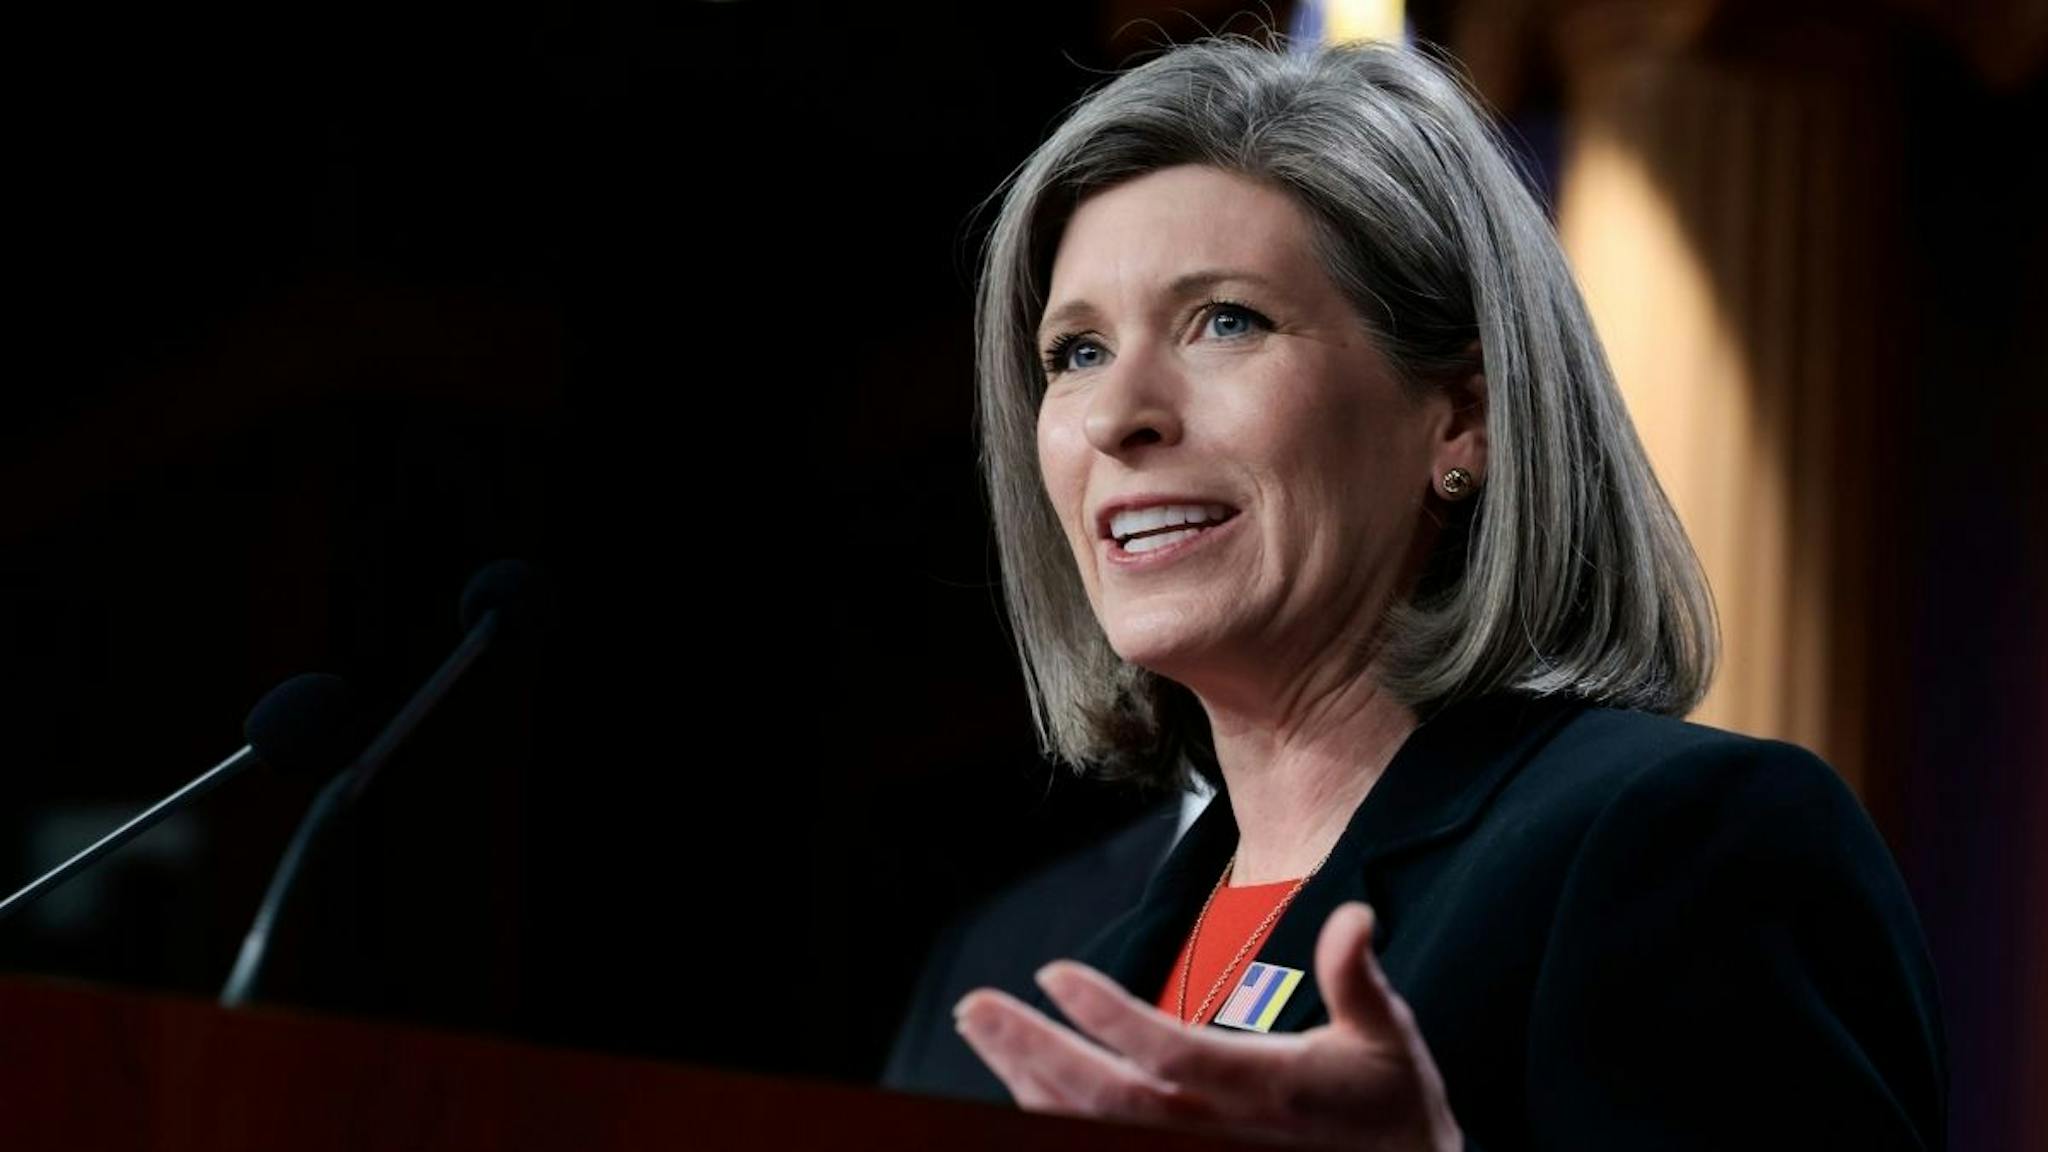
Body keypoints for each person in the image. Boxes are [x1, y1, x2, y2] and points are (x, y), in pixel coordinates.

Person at [947, 38, 1946, 1151]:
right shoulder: (1095, 967)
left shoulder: (1686, 842)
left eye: (1226, 320)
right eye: (1076, 351)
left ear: (1461, 415)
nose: (1114, 416)